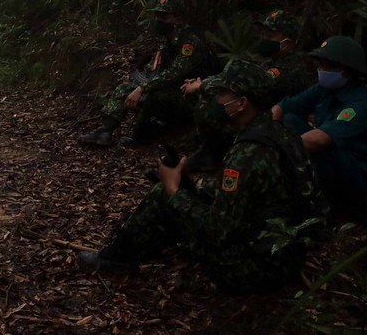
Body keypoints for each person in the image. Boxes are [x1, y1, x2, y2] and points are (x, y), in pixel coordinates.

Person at [77, 60, 321, 294]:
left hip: (254, 269)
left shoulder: (248, 153)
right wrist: (191, 186)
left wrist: (174, 189)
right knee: (184, 193)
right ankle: (131, 250)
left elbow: (218, 231)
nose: (216, 99)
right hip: (283, 254)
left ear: (242, 103)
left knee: (165, 194)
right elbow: (254, 197)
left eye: (223, 93)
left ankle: (116, 258)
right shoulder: (280, 132)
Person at [272, 35, 367, 224]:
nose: (321, 71)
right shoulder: (324, 90)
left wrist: (271, 148)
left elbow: (319, 140)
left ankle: (330, 206)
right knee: (289, 120)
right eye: (320, 65)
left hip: (357, 174)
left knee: (317, 150)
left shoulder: (361, 105)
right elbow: (283, 107)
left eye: (328, 66)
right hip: (335, 158)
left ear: (348, 72)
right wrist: (262, 131)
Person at [181, 9, 310, 171]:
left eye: (270, 36)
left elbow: (249, 82)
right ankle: (212, 153)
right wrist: (205, 82)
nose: (264, 39)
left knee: (214, 104)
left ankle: (218, 153)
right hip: (260, 117)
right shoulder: (272, 61)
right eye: (263, 34)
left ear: (287, 43)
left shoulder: (291, 68)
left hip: (274, 126)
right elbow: (238, 76)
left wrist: (201, 85)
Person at [80, 0, 214, 147]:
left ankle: (140, 136)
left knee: (153, 93)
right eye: (158, 16)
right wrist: (141, 85)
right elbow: (156, 69)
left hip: (191, 98)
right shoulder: (167, 42)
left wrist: (143, 88)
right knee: (124, 88)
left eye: (164, 17)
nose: (159, 21)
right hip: (170, 92)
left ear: (178, 19)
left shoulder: (189, 43)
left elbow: (173, 74)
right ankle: (106, 131)